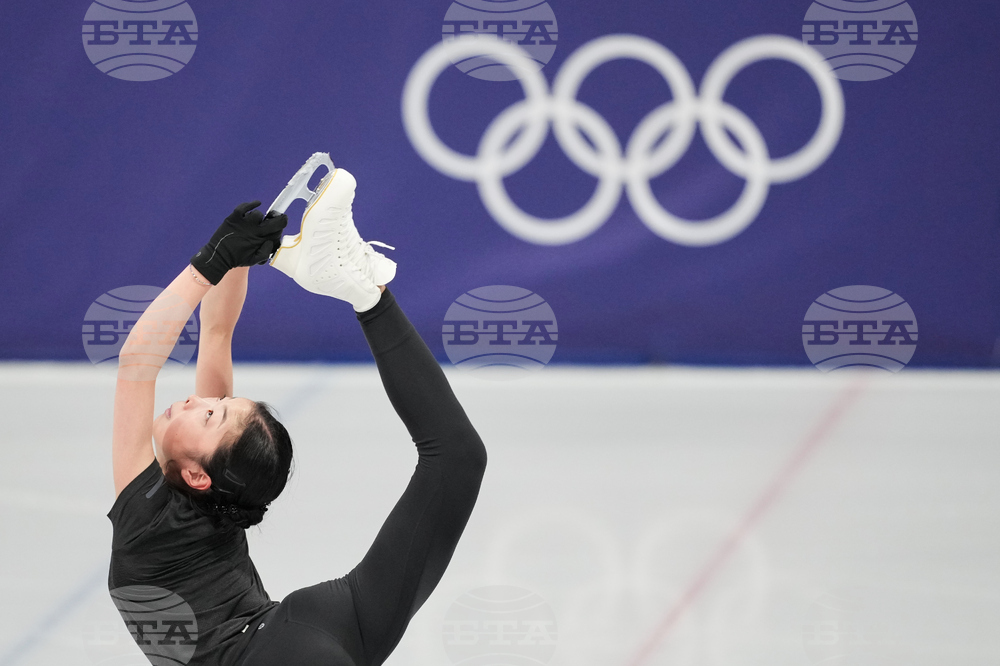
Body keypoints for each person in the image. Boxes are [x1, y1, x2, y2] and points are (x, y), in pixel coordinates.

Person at [108, 165, 488, 666]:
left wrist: (225, 260)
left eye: (214, 410)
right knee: (457, 458)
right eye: (211, 410)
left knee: (459, 459)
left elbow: (181, 347)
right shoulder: (182, 503)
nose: (199, 401)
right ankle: (364, 293)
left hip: (289, 642)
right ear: (200, 477)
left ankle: (366, 291)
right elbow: (184, 346)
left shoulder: (168, 512)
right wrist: (223, 258)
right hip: (318, 624)